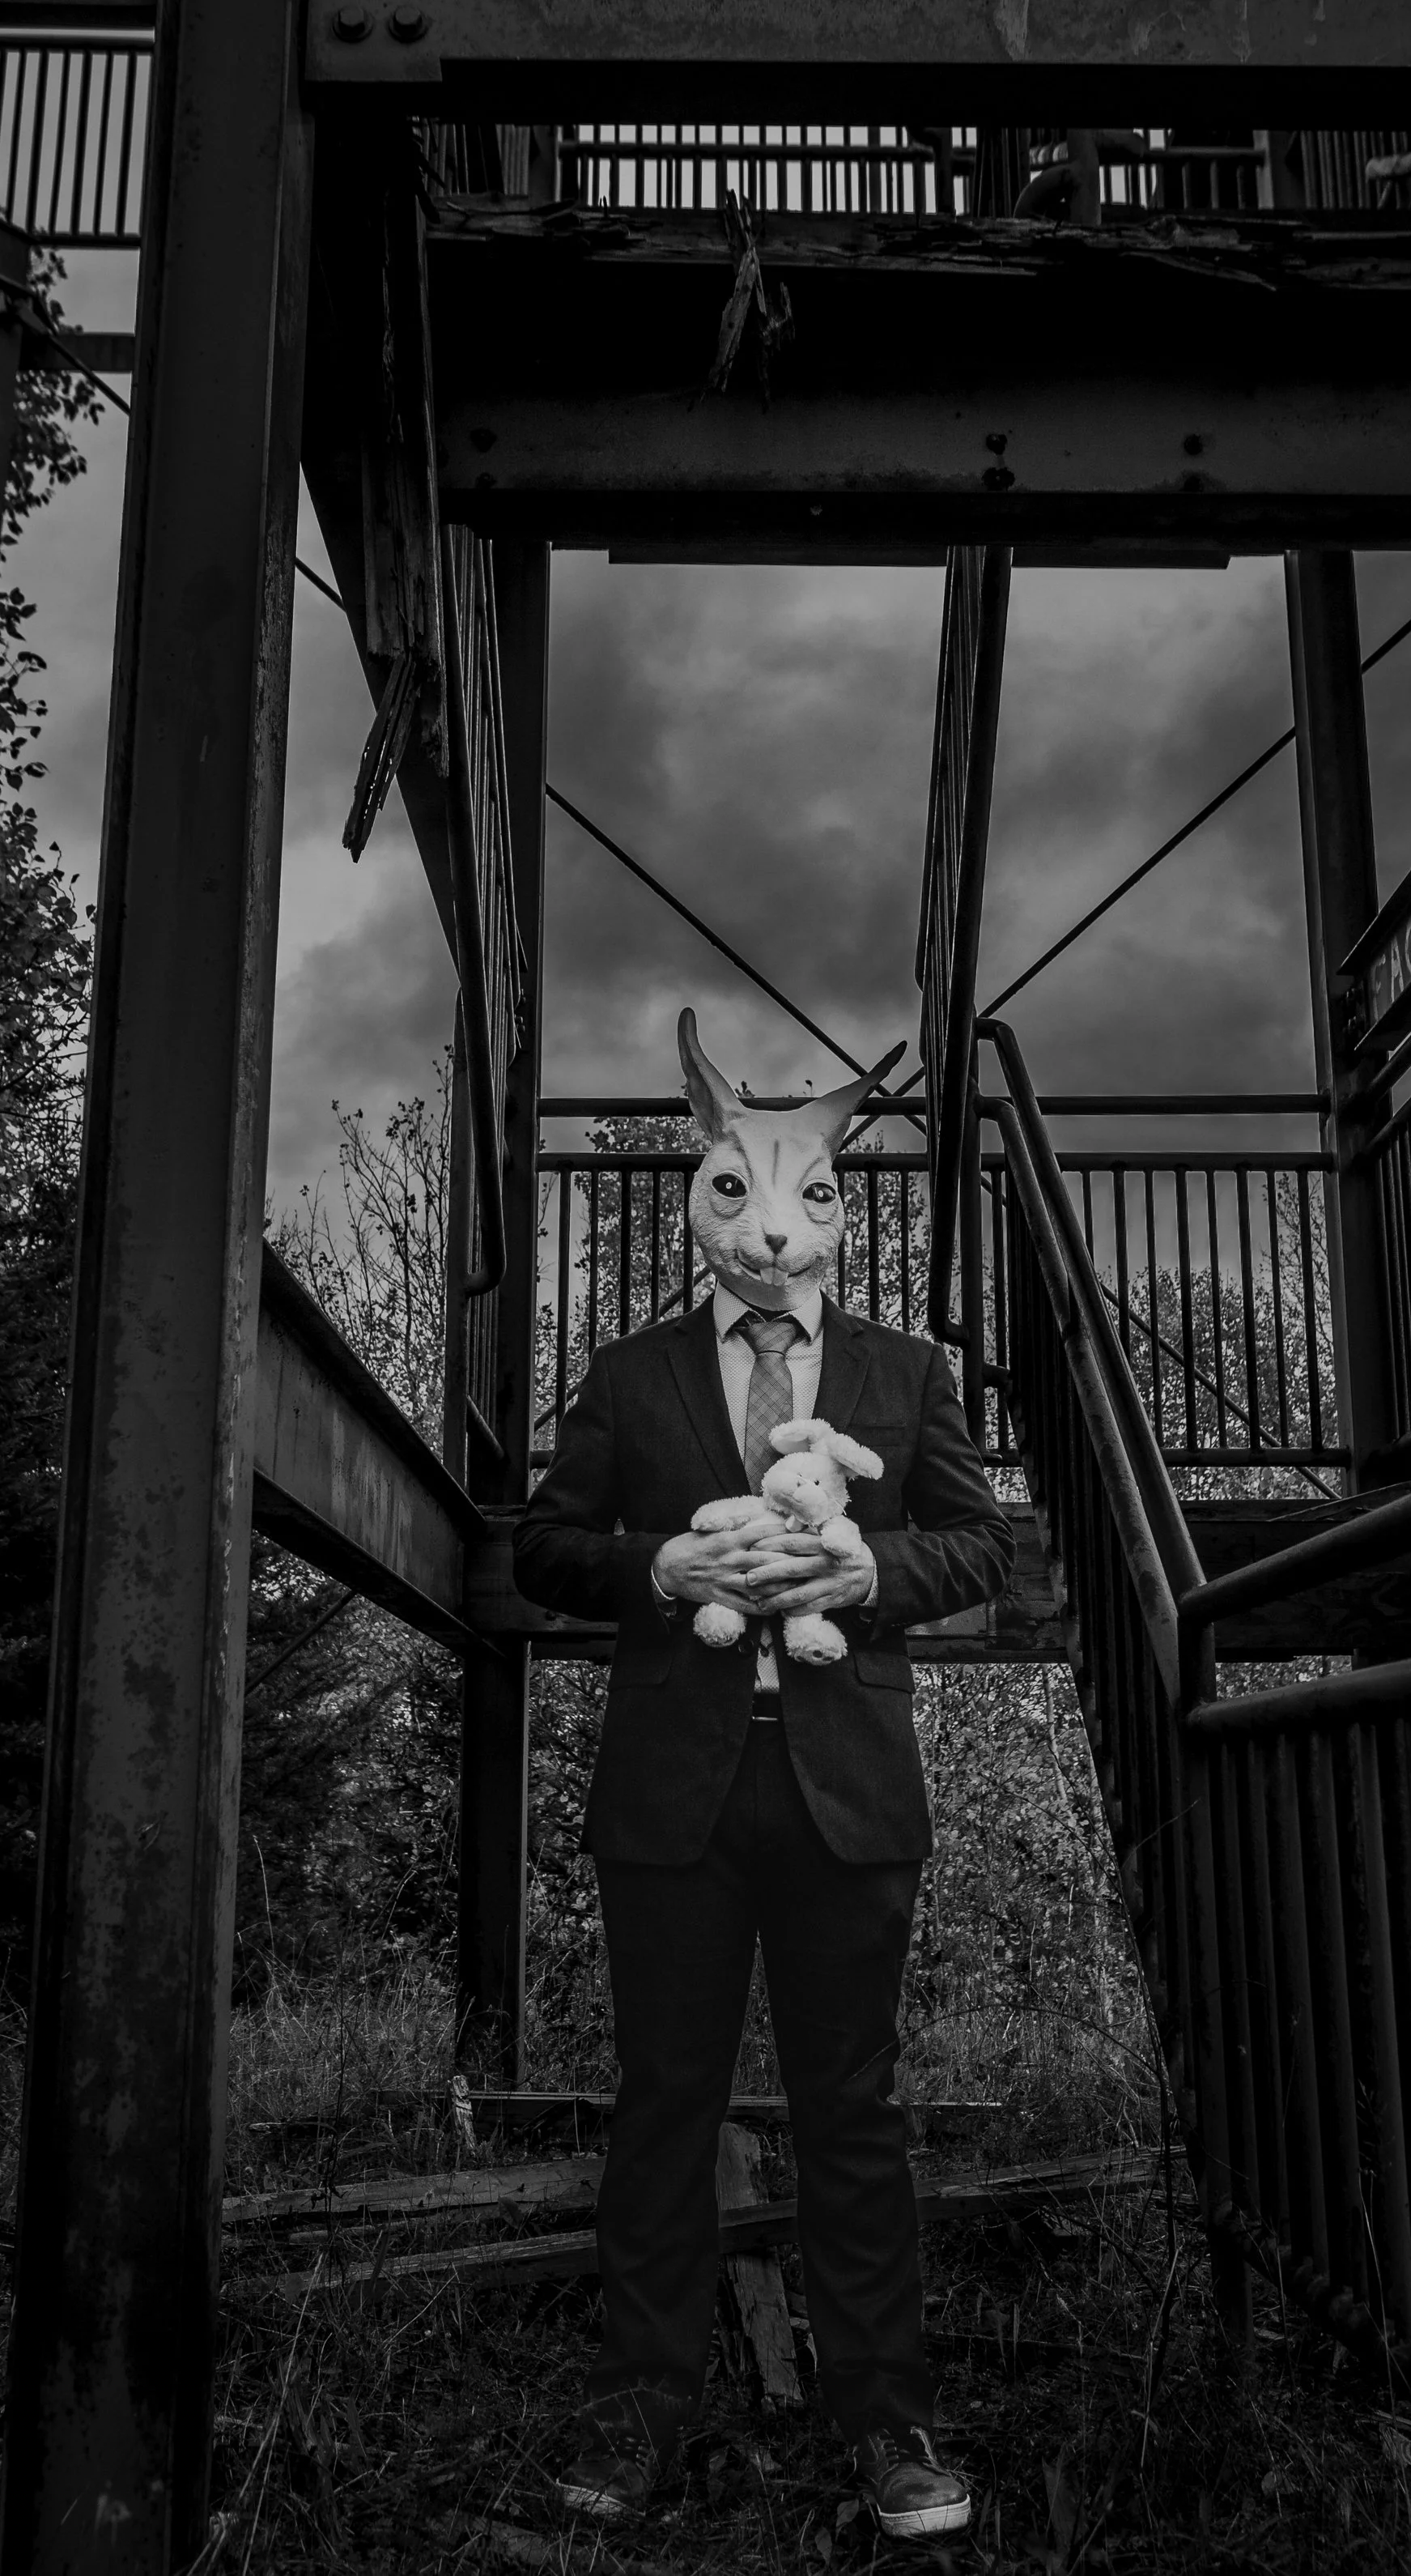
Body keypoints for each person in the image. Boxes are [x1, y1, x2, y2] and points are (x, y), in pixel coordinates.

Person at [513, 1013, 1015, 2538]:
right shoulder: (629, 1373)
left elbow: (979, 1545)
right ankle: (642, 2408)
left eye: (805, 1195)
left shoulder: (906, 1371)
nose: (772, 1225)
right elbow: (546, 1547)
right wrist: (656, 1569)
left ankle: (888, 2419)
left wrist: (871, 1574)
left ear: (838, 1208)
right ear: (707, 1194)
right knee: (664, 2103)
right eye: (738, 1188)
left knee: (852, 2110)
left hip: (847, 1789)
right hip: (672, 1791)